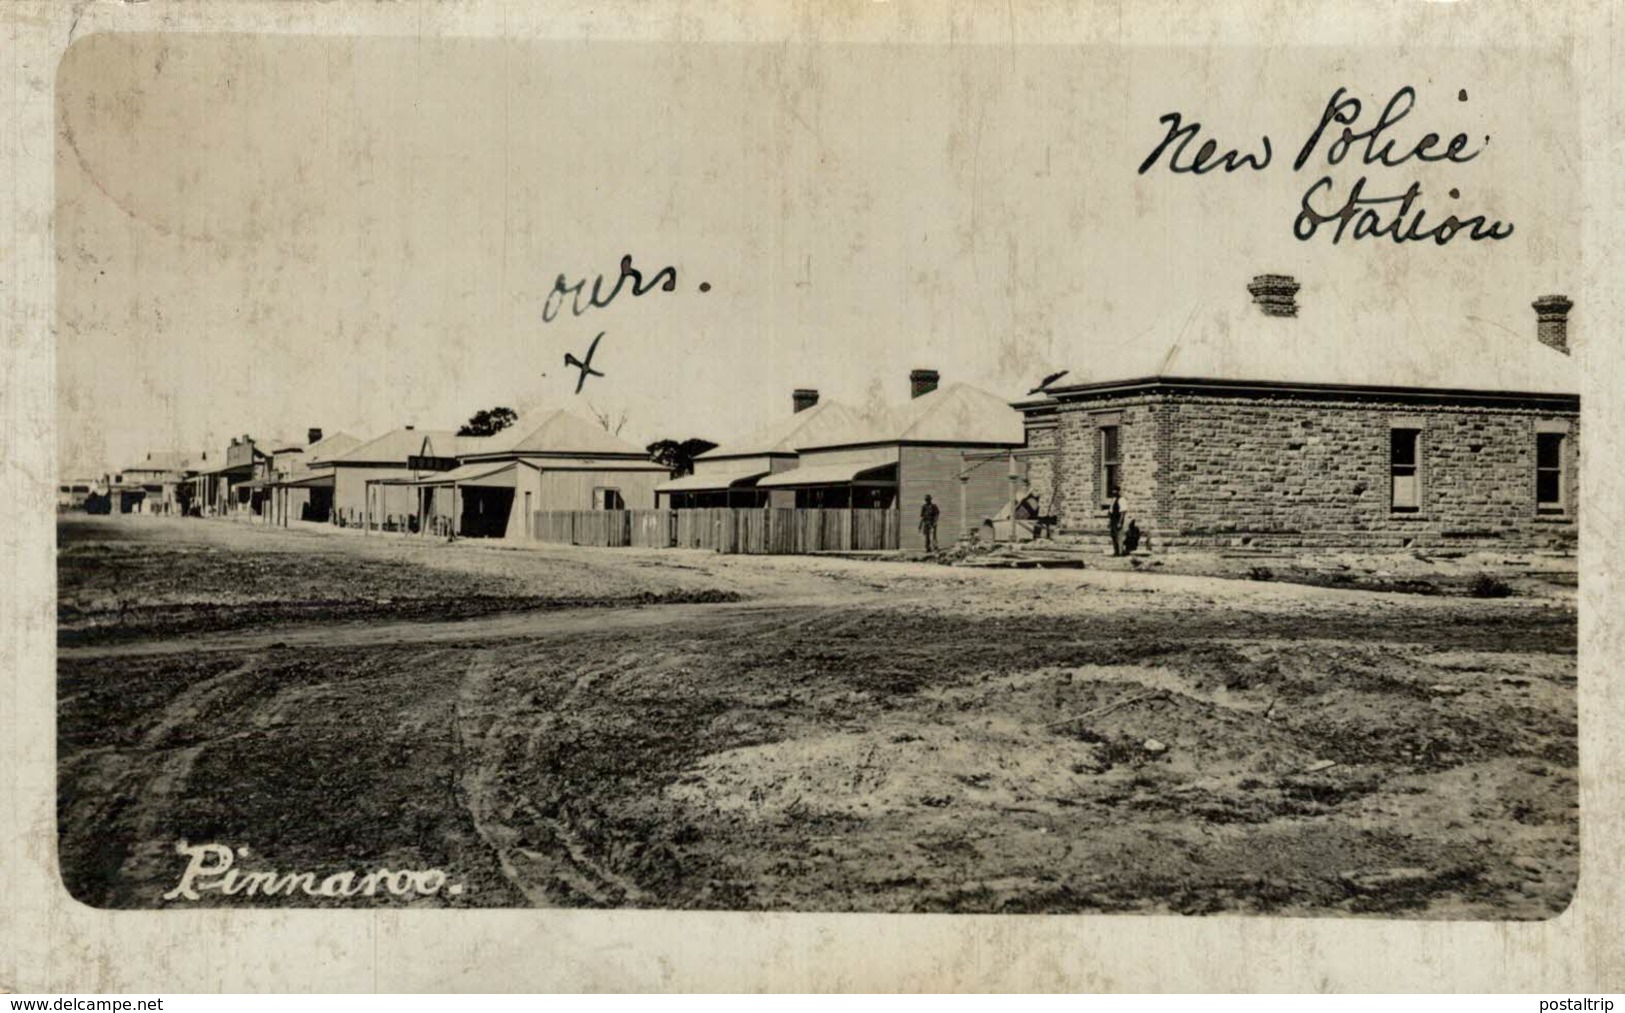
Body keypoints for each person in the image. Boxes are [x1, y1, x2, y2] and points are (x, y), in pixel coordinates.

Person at [1107, 486, 1128, 556]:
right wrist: (1110, 521)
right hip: (1113, 520)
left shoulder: (1121, 499)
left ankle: (1121, 552)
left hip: (1118, 520)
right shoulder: (1113, 500)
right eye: (1113, 490)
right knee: (1113, 536)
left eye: (1115, 490)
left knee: (1119, 537)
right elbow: (1111, 511)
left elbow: (1122, 512)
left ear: (1118, 491)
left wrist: (1120, 522)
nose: (1114, 492)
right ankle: (1116, 551)